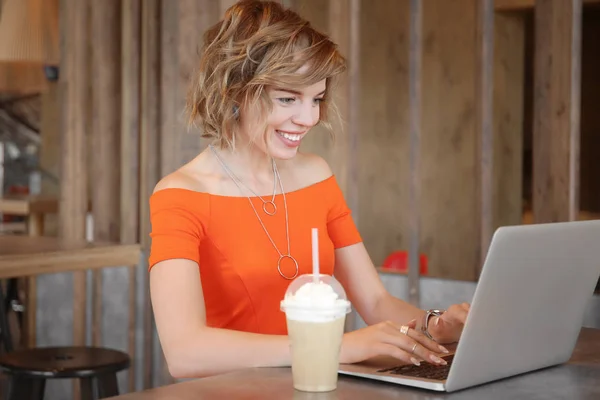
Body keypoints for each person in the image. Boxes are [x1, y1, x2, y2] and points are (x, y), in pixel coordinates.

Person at [148, 0, 469, 379]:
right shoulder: (179, 195)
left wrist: (435, 328)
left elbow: (376, 301)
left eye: (316, 98)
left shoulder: (316, 175)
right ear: (233, 90)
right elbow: (185, 353)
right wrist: (332, 346)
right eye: (288, 98)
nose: (309, 118)